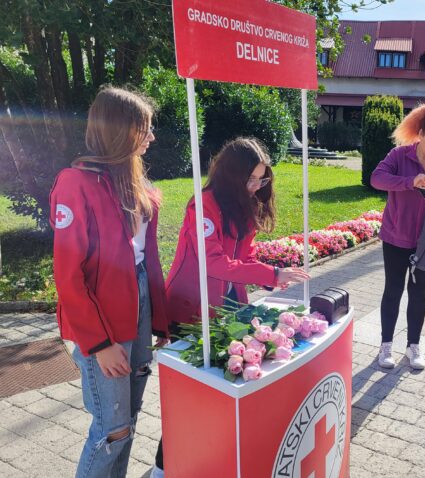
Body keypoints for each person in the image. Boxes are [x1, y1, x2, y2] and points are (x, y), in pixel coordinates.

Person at [151, 137, 309, 477]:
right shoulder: (202, 206)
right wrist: (272, 273)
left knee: (219, 389)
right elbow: (214, 263)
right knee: (188, 396)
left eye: (262, 179)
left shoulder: (244, 204)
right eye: (251, 179)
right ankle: (164, 466)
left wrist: (271, 275)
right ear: (231, 176)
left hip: (230, 307)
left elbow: (243, 257)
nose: (256, 186)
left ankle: (209, 459)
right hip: (191, 309)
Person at [50, 86, 169, 478]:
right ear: (120, 130)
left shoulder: (134, 183)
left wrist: (160, 321)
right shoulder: (75, 183)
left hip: (139, 308)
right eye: (144, 129)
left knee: (129, 420)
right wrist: (100, 344)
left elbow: (146, 262)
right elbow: (68, 277)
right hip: (103, 320)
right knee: (113, 428)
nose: (151, 137)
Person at [370, 104, 425, 370]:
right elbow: (376, 179)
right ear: (420, 133)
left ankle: (413, 346)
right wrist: (410, 182)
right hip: (396, 235)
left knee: (418, 292)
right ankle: (386, 345)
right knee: (393, 291)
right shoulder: (400, 155)